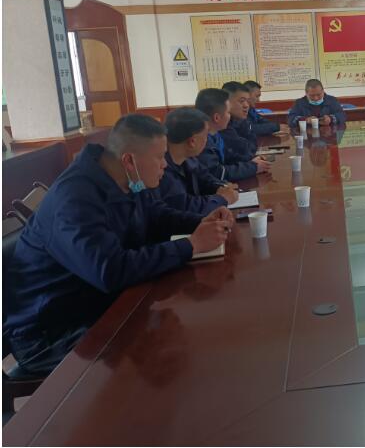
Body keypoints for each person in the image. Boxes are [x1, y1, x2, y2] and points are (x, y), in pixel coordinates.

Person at [3, 115, 233, 376]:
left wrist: (201, 222)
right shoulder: (75, 200)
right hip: (52, 333)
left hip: (96, 303)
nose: (165, 165)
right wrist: (191, 245)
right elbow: (110, 271)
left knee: (170, 316)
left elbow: (156, 215)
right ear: (129, 160)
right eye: (160, 157)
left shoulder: (127, 178)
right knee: (143, 345)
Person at [156, 107, 240, 215]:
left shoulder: (189, 159)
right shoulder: (161, 170)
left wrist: (222, 187)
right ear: (192, 141)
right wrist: (222, 198)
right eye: (206, 135)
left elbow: (205, 180)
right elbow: (187, 207)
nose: (207, 140)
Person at [195, 88, 270, 182]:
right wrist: (253, 167)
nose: (230, 116)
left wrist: (251, 162)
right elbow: (218, 173)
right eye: (228, 112)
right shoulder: (201, 141)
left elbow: (229, 156)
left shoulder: (215, 134)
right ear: (217, 118)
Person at [221, 81, 256, 160]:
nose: (246, 105)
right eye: (242, 101)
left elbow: (252, 144)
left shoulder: (240, 120)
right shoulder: (222, 125)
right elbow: (245, 148)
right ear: (226, 102)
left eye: (247, 101)